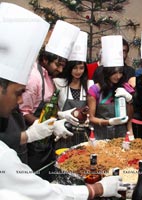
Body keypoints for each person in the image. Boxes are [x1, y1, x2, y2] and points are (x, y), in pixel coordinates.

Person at [0, 3, 124, 199]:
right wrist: (96, 189)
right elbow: (39, 192)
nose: (20, 98)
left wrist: (60, 116)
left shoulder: (49, 77)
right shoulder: (4, 156)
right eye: (17, 93)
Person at [19, 20, 78, 180]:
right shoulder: (34, 78)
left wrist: (61, 115)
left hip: (45, 140)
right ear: (45, 59)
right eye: (57, 65)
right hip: (32, 142)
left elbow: (46, 106)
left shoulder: (48, 75)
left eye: (63, 65)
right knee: (34, 180)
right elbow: (24, 112)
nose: (60, 70)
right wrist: (49, 126)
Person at [88, 35, 133, 139]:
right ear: (107, 72)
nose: (118, 76)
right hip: (101, 134)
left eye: (120, 72)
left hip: (121, 134)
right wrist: (108, 122)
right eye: (114, 73)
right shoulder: (94, 90)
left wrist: (130, 100)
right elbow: (91, 118)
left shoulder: (125, 88)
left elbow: (129, 117)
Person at [53, 31, 89, 149]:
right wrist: (61, 115)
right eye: (75, 68)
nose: (78, 71)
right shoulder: (58, 83)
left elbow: (92, 109)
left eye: (81, 68)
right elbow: (53, 109)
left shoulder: (89, 85)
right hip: (63, 131)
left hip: (83, 134)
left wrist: (88, 116)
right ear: (69, 68)